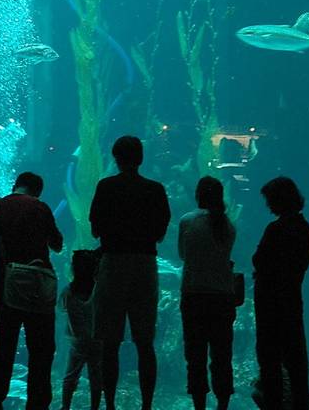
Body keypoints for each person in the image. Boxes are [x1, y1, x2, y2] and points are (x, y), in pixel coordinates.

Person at [88, 135, 171, 410]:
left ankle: (110, 404)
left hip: (113, 263)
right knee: (145, 342)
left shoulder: (106, 187)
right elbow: (161, 231)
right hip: (145, 264)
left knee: (109, 342)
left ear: (116, 158)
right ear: (141, 158)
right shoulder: (155, 189)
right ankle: (146, 405)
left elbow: (95, 228)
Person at [0, 171, 63, 410]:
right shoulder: (40, 207)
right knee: (42, 350)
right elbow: (57, 244)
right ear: (37, 191)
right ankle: (37, 404)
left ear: (15, 185)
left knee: (4, 347)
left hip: (5, 289)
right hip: (38, 290)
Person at [252, 176, 309, 410]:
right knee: (296, 359)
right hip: (292, 300)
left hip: (270, 304)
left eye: (270, 199)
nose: (268, 205)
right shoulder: (304, 228)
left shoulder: (276, 229)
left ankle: (274, 404)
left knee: (270, 360)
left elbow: (258, 259)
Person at [178, 176, 237, 410]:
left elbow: (182, 255)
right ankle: (223, 405)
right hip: (222, 297)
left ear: (198, 196)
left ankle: (199, 406)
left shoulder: (187, 221)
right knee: (222, 355)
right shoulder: (228, 226)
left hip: (194, 295)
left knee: (195, 357)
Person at [59, 249, 102, 410]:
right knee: (96, 376)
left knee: (70, 376)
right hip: (96, 340)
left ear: (73, 269)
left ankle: (65, 406)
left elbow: (61, 308)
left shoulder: (68, 291)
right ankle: (94, 407)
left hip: (76, 342)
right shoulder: (98, 290)